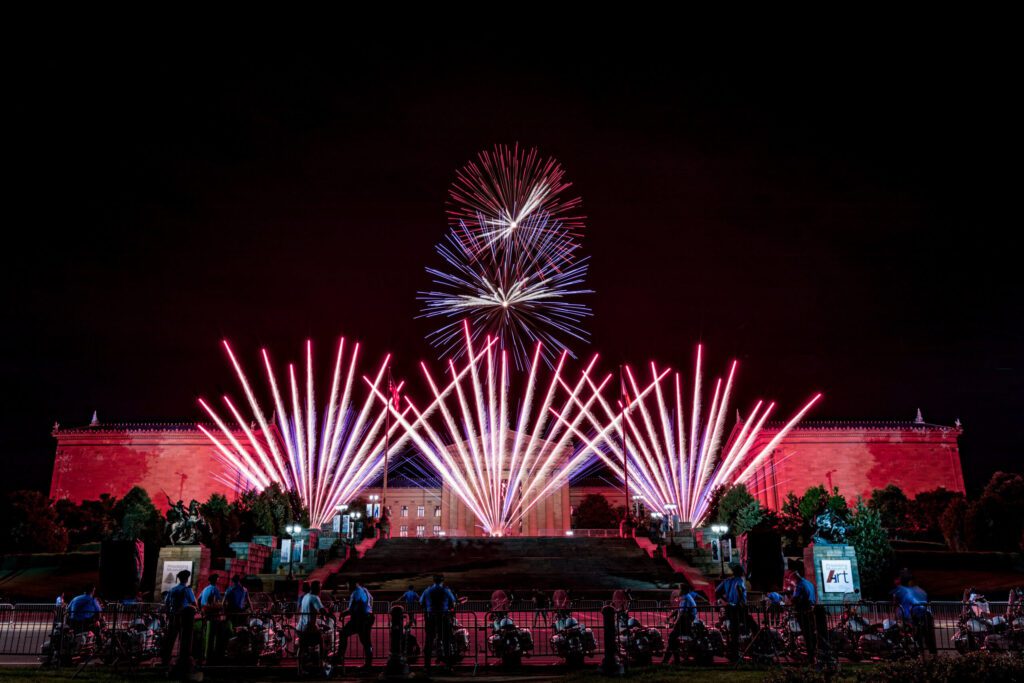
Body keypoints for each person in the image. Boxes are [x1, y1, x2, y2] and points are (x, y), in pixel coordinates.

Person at [162, 570, 198, 672]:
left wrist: (169, 614)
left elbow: (167, 604)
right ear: (186, 579)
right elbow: (194, 603)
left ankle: (165, 658)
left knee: (171, 637)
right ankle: (183, 659)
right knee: (185, 639)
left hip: (174, 616)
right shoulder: (187, 590)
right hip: (185, 617)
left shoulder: (172, 590)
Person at [715, 564, 753, 661]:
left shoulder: (727, 581)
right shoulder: (740, 581)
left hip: (729, 609)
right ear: (741, 573)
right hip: (739, 609)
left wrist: (724, 601)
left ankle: (734, 652)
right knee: (753, 627)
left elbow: (716, 591)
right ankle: (740, 653)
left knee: (733, 632)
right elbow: (740, 593)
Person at [891, 574, 936, 655]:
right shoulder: (920, 591)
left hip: (915, 616)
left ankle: (919, 654)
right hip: (924, 615)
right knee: (927, 637)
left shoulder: (904, 591)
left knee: (917, 636)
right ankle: (930, 654)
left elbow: (897, 602)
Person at [420, 574, 457, 672]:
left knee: (428, 642)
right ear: (442, 581)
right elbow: (453, 602)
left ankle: (427, 666)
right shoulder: (446, 590)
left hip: (430, 618)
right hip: (443, 617)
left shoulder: (427, 590)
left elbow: (421, 602)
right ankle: (448, 665)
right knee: (446, 642)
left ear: (433, 580)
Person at [338, 580, 374, 671]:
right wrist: (369, 610)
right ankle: (368, 663)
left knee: (343, 633)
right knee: (366, 641)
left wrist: (343, 613)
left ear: (352, 585)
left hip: (359, 619)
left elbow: (351, 609)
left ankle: (339, 657)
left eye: (348, 586)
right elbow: (372, 599)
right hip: (368, 617)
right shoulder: (365, 590)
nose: (348, 588)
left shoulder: (355, 593)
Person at [297, 580, 332, 672]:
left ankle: (300, 669)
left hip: (300, 626)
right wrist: (329, 611)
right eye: (320, 588)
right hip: (309, 628)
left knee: (303, 647)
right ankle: (321, 664)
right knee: (321, 642)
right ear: (317, 588)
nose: (320, 590)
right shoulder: (315, 597)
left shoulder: (305, 596)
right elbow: (322, 610)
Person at [662, 585, 701, 664]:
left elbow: (682, 612)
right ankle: (673, 660)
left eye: (679, 589)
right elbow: (679, 609)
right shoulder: (687, 596)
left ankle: (671, 661)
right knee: (674, 640)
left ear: (682, 590)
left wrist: (676, 622)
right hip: (687, 620)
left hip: (686, 621)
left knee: (672, 638)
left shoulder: (685, 597)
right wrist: (670, 617)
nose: (678, 590)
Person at [790, 570, 819, 658]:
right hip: (812, 610)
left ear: (795, 579)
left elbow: (794, 599)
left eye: (792, 581)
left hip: (803, 611)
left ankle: (810, 655)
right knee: (812, 632)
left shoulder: (799, 585)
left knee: (806, 633)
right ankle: (814, 652)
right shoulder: (809, 583)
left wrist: (791, 596)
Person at [197, 574, 223, 662]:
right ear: (216, 580)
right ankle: (210, 655)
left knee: (205, 634)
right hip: (211, 614)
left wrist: (200, 609)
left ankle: (203, 653)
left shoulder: (205, 588)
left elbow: (198, 599)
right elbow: (219, 601)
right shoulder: (214, 589)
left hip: (204, 613)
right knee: (212, 634)